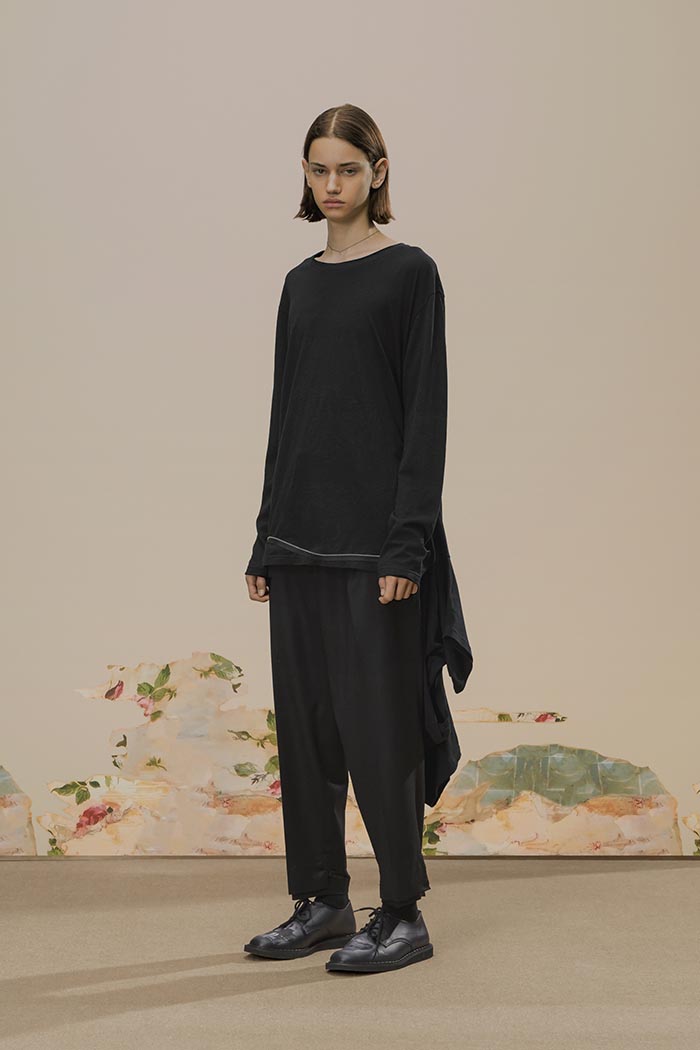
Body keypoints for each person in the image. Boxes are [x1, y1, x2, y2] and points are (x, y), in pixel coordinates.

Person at [242, 104, 473, 974]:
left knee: (380, 735)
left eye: (346, 168)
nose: (331, 184)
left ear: (377, 171)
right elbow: (286, 415)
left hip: (378, 547)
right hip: (298, 542)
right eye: (317, 169)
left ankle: (403, 912)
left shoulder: (410, 273)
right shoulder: (299, 284)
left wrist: (407, 544)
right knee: (307, 736)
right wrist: (266, 533)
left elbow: (426, 417)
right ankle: (323, 902)